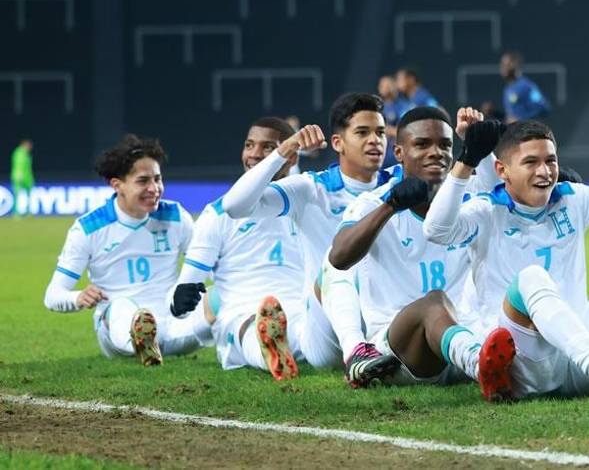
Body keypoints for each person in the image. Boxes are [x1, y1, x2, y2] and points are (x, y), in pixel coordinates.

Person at [424, 119, 589, 405]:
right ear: (503, 170)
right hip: (532, 367)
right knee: (531, 278)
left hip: (578, 359)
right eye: (531, 162)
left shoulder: (572, 200)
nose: (544, 171)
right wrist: (466, 161)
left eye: (550, 161)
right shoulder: (486, 211)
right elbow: (435, 230)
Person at [218, 92, 403, 387]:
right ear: (338, 143)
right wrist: (285, 148)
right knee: (336, 263)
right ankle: (353, 351)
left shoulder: (399, 183)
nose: (375, 140)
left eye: (380, 132)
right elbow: (234, 205)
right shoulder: (311, 190)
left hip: (382, 315)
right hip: (326, 333)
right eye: (363, 132)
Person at [329, 106, 513, 397]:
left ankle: (478, 357)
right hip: (402, 352)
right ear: (399, 153)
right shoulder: (373, 202)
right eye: (422, 144)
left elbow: (508, 203)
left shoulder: (467, 201)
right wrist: (390, 207)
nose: (436, 152)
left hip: (465, 334)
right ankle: (480, 366)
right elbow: (338, 258)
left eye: (445, 145)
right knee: (434, 303)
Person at [43, 135, 212, 365]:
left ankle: (254, 343)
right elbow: (53, 295)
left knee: (222, 295)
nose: (154, 189)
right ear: (117, 184)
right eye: (143, 181)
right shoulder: (89, 228)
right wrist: (78, 297)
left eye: (158, 179)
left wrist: (197, 292)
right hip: (117, 330)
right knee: (121, 306)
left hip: (174, 325)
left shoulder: (175, 216)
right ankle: (140, 338)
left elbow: (209, 268)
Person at [170, 116, 307, 380]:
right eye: (249, 145)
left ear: (290, 157)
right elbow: (186, 287)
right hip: (242, 313)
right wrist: (181, 299)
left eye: (268, 148)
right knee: (247, 330)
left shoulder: (308, 204)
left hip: (301, 313)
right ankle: (269, 352)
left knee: (316, 334)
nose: (254, 154)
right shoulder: (218, 213)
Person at [500, 51, 550, 123]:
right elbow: (511, 118)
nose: (503, 67)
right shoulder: (507, 89)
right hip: (513, 133)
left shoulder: (527, 86)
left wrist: (521, 120)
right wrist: (493, 112)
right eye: (502, 64)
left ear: (515, 64)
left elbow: (543, 108)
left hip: (526, 132)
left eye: (507, 64)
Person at [10, 138, 33, 213]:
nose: (30, 147)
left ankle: (28, 211)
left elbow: (28, 167)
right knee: (17, 194)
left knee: (29, 195)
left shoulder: (26, 153)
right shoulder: (19, 153)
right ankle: (16, 212)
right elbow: (18, 165)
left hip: (27, 177)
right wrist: (19, 175)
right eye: (29, 146)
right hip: (19, 176)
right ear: (24, 145)